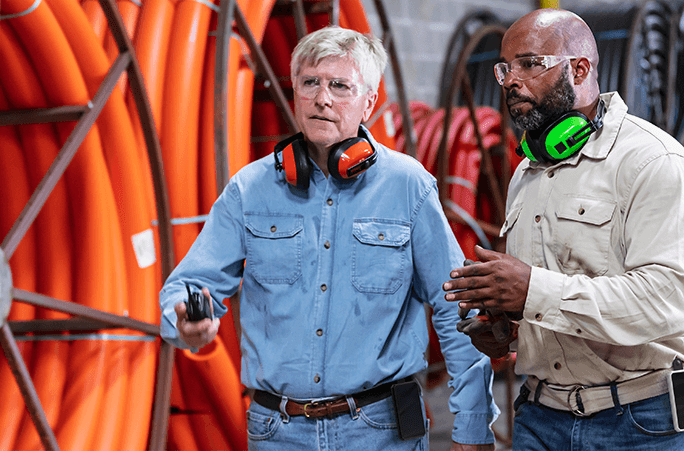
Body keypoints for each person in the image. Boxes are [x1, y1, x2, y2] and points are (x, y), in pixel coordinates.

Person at [159, 26, 498, 451]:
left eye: (340, 85)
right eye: (310, 83)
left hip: (380, 432)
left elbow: (457, 312)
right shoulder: (250, 189)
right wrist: (186, 322)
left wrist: (472, 427)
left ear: (369, 102)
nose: (323, 98)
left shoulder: (408, 187)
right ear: (295, 93)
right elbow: (189, 286)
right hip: (276, 432)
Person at [442, 8, 684, 450]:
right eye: (504, 68)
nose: (511, 80)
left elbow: (668, 301)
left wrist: (532, 291)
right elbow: (564, 293)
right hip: (542, 417)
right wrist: (511, 329)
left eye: (530, 64)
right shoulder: (527, 173)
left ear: (580, 68)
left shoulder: (653, 164)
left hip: (646, 422)